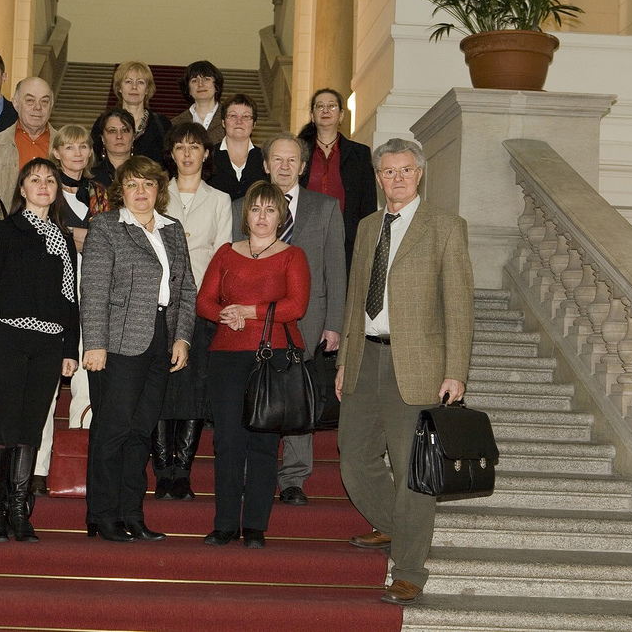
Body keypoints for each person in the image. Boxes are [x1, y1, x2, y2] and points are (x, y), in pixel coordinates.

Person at [335, 138, 474, 605]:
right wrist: (344, 360)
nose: (397, 178)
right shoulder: (368, 226)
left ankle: (410, 569)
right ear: (378, 178)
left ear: (420, 174)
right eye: (388, 171)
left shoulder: (445, 227)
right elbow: (356, 299)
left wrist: (456, 370)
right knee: (354, 458)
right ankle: (396, 525)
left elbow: (459, 304)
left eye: (406, 170)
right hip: (366, 358)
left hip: (417, 366)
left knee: (414, 470)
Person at [80, 156, 195, 542]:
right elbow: (93, 289)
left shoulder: (172, 229)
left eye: (148, 184)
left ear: (159, 190)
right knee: (113, 431)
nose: (141, 191)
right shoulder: (106, 227)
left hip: (161, 341)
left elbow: (186, 288)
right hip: (118, 343)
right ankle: (102, 514)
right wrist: (96, 344)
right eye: (132, 184)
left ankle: (132, 514)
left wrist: (182, 337)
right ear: (121, 190)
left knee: (142, 433)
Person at [0, 158, 80, 543]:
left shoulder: (63, 237)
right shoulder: (5, 230)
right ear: (22, 189)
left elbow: (70, 299)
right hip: (8, 338)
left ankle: (19, 511)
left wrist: (69, 347)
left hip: (49, 343)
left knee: (32, 427)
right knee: (5, 424)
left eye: (50, 180)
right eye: (35, 179)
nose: (43, 185)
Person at [230, 132, 346, 506]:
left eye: (292, 160)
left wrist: (334, 322)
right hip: (254, 320)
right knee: (253, 393)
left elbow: (336, 270)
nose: (284, 166)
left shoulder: (325, 208)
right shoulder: (240, 207)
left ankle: (294, 478)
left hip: (307, 319)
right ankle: (251, 471)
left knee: (298, 396)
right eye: (277, 159)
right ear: (266, 165)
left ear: (303, 165)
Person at [197, 181, 311, 549]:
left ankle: (255, 527)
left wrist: (250, 311)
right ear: (246, 215)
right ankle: (225, 524)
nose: (262, 216)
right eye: (256, 209)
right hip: (226, 357)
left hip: (273, 359)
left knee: (264, 443)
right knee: (228, 442)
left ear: (281, 217)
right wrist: (225, 315)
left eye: (270, 210)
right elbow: (204, 302)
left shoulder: (293, 256)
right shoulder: (226, 253)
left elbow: (297, 306)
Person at [29, 124, 110, 497]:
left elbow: (108, 242)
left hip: (92, 296)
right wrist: (79, 236)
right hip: (50, 298)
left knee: (86, 385)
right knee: (45, 387)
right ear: (56, 151)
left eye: (83, 146)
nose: (77, 152)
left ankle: (79, 466)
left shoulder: (101, 194)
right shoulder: (44, 189)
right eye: (69, 146)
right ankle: (38, 468)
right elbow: (39, 236)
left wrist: (75, 235)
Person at [153, 122, 231, 501]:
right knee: (159, 385)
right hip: (157, 302)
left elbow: (223, 255)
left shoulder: (219, 200)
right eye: (180, 147)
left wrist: (211, 300)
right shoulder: (156, 193)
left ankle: (182, 470)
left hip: (201, 302)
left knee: (194, 388)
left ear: (206, 153)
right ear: (172, 153)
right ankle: (161, 470)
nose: (187, 154)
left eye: (194, 147)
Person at [297, 88, 378, 274]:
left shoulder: (360, 153)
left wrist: (366, 241)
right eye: (320, 106)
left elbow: (368, 202)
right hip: (304, 236)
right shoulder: (298, 152)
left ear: (341, 115)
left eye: (332, 106)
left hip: (345, 239)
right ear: (312, 115)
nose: (325, 110)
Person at [0, 76, 55, 203]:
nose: (38, 107)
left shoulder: (65, 147)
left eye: (44, 101)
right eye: (30, 100)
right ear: (15, 104)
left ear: (51, 106)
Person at [91, 61, 171, 164]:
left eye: (140, 82)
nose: (134, 87)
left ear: (147, 90)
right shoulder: (103, 122)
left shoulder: (163, 124)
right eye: (128, 82)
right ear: (119, 88)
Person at [210, 94, 268, 201]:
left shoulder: (265, 158)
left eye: (245, 116)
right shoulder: (208, 156)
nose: (239, 121)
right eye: (233, 116)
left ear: (254, 124)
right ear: (223, 122)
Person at [171, 60, 225, 145]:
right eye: (194, 80)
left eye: (206, 79)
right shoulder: (175, 124)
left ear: (216, 86)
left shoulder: (230, 119)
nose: (200, 84)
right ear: (188, 89)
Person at [90, 108, 135, 187]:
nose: (119, 136)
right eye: (112, 131)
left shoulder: (147, 173)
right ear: (102, 138)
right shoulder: (90, 176)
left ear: (133, 137)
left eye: (125, 130)